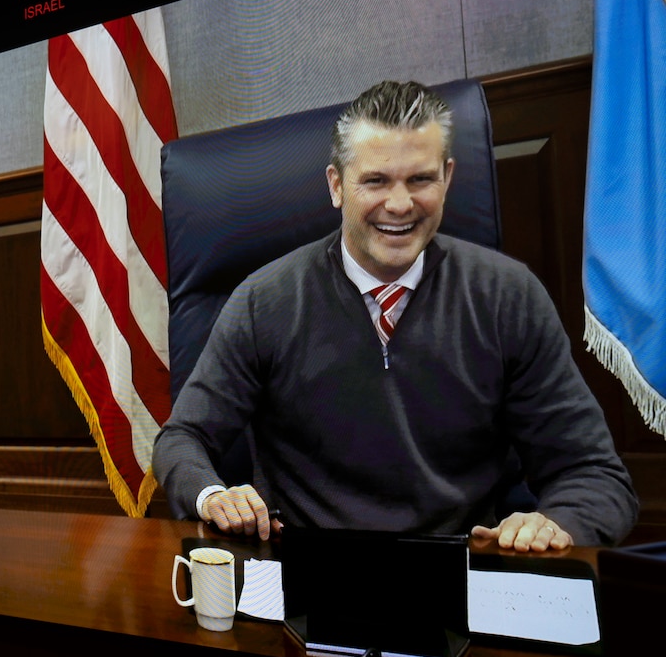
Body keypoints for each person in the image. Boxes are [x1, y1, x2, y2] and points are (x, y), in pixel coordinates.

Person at [152, 80, 638, 552]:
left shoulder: (509, 296)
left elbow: (592, 474)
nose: (401, 204)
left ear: (447, 178)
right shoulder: (263, 301)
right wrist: (213, 496)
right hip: (310, 575)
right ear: (337, 186)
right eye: (376, 181)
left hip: (459, 571)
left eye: (421, 179)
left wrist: (555, 526)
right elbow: (183, 439)